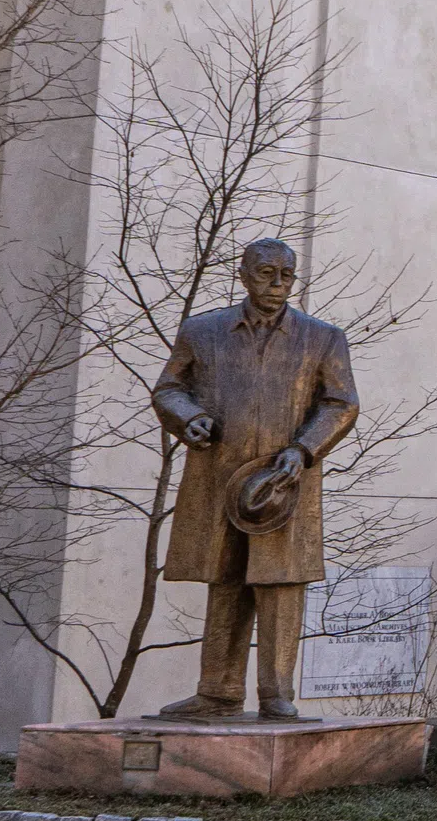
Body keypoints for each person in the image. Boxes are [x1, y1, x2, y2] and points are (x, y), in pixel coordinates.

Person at [148, 238, 359, 720]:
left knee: (280, 584)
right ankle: (218, 691)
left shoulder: (321, 337)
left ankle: (275, 693)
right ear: (243, 274)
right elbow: (169, 389)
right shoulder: (203, 331)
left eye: (287, 275)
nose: (278, 284)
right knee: (224, 579)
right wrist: (188, 417)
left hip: (282, 485)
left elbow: (341, 403)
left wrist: (304, 448)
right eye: (267, 273)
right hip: (219, 478)